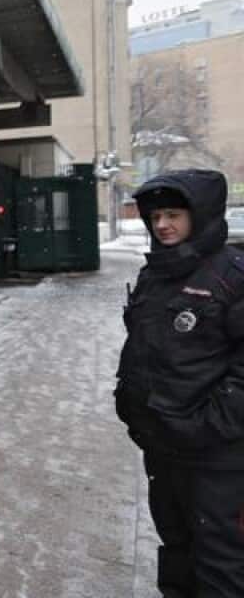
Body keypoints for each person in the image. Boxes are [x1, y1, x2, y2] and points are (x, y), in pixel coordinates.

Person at [115, 168, 244, 597]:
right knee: (177, 550)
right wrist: (129, 403)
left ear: (200, 215)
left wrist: (210, 423)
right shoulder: (157, 273)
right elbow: (144, 347)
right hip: (163, 445)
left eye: (173, 215)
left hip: (217, 456)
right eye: (156, 217)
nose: (162, 225)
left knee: (221, 561)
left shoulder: (231, 276)